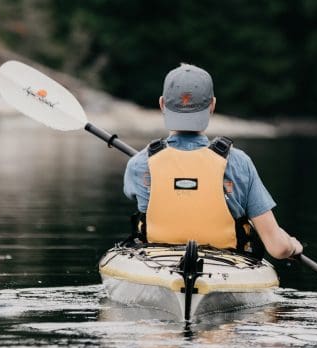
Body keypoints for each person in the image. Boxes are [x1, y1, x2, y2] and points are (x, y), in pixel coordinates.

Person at [123, 63, 303, 260]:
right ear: (212, 105)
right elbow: (279, 249)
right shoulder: (239, 163)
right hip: (226, 266)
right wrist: (292, 245)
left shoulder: (139, 164)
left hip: (157, 264)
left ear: (162, 104)